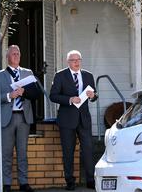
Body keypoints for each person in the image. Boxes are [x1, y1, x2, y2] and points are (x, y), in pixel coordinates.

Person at [0, 45, 36, 192]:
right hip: (7, 118)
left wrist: (24, 92)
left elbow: (35, 94)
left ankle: (23, 183)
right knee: (6, 153)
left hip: (23, 118)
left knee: (23, 152)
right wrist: (10, 96)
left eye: (18, 54)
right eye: (13, 54)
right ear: (7, 57)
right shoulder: (0, 75)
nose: (16, 56)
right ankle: (6, 184)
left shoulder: (28, 73)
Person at [49, 50, 98, 190]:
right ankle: (70, 181)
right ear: (68, 62)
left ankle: (90, 180)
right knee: (68, 151)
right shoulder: (60, 76)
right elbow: (53, 96)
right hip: (67, 119)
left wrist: (93, 95)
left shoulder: (88, 76)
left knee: (88, 149)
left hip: (84, 119)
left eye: (78, 60)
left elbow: (94, 97)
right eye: (73, 60)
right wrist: (70, 99)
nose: (76, 62)